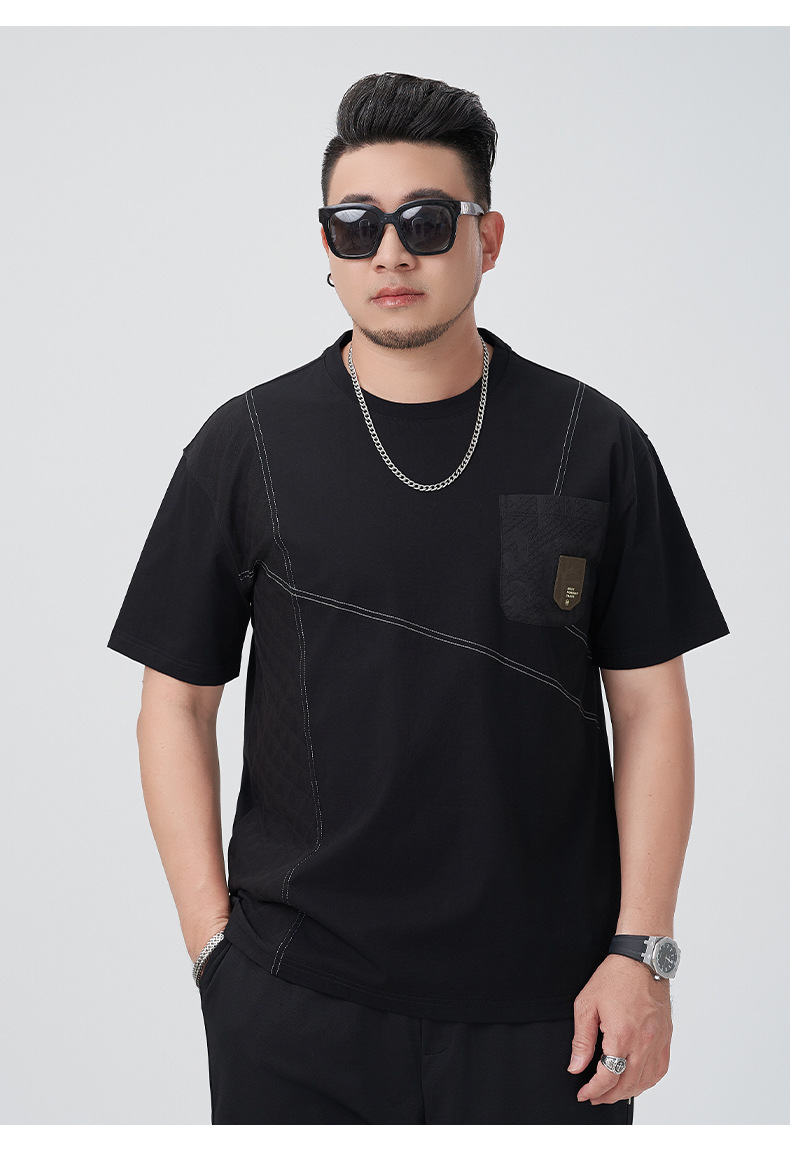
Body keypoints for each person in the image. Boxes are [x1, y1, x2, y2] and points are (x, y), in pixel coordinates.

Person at [107, 72, 729, 1125]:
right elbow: (174, 701)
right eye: (356, 226)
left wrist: (643, 951)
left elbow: (651, 707)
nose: (390, 253)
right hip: (297, 1001)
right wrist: (214, 948)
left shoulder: (593, 441)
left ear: (489, 237)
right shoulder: (246, 445)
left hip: (552, 1010)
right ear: (327, 248)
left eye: (426, 221)